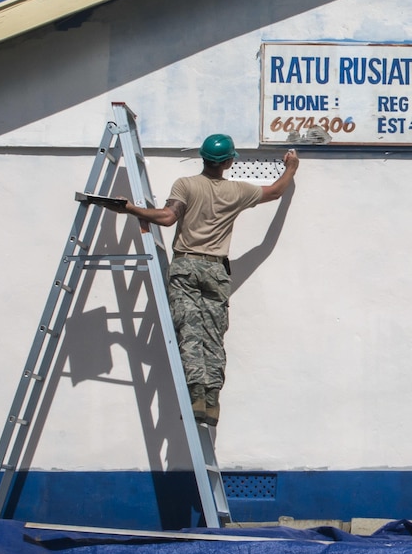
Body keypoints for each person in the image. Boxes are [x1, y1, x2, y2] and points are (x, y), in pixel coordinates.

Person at [104, 134, 298, 426]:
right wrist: (291, 169)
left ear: (203, 158)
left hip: (186, 267)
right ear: (229, 161)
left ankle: (196, 398)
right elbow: (275, 192)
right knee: (213, 337)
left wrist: (130, 208)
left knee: (190, 335)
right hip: (217, 272)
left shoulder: (186, 185)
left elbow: (168, 217)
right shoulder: (238, 191)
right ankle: (212, 402)